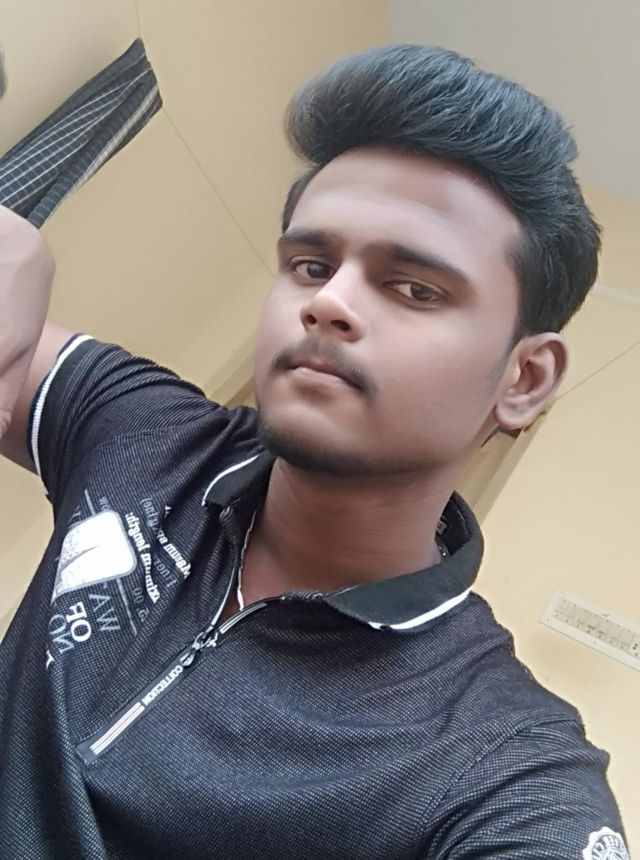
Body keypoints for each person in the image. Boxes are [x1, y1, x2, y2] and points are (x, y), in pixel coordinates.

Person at [0, 45, 629, 860]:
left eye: (415, 288)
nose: (329, 301)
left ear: (523, 378)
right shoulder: (147, 432)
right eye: (311, 264)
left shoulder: (500, 766)